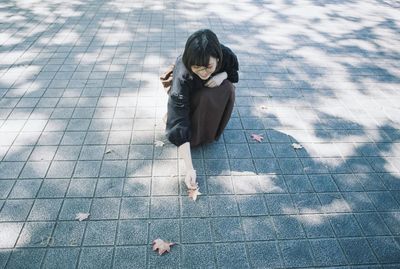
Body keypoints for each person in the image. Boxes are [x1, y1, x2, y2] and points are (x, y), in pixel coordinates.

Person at [164, 29, 239, 189]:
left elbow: (234, 72)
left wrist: (222, 75)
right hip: (188, 92)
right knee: (185, 107)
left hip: (211, 85)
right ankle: (191, 130)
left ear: (218, 58)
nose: (204, 72)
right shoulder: (183, 73)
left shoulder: (225, 54)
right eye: (198, 67)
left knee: (228, 88)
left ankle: (209, 129)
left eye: (208, 67)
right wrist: (189, 168)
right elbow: (179, 120)